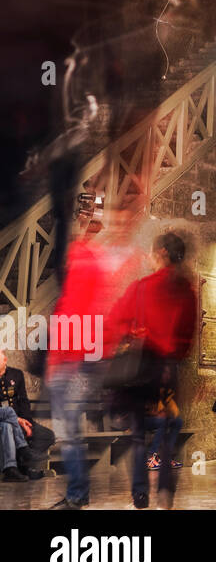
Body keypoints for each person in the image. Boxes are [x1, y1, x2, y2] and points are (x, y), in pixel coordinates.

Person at [105, 232, 198, 510]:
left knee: (138, 434)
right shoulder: (186, 290)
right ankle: (166, 493)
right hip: (169, 370)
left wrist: (130, 334)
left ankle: (140, 494)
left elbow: (115, 320)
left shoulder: (142, 286)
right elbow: (188, 333)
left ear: (161, 253)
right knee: (169, 432)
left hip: (141, 369)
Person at [45, 216, 114, 509]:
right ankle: (78, 492)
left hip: (73, 362)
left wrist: (58, 360)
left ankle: (77, 494)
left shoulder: (80, 264)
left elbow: (70, 316)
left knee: (68, 432)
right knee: (70, 431)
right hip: (83, 360)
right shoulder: (91, 264)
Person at [0, 351, 49, 481]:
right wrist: (18, 420)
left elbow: (23, 401)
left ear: (5, 360)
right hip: (9, 416)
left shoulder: (15, 374)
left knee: (47, 436)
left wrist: (26, 421)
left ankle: (14, 469)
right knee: (9, 413)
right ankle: (24, 452)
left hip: (10, 421)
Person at [143, 385, 183, 472]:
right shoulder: (148, 389)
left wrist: (168, 406)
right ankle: (151, 457)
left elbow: (175, 412)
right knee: (163, 421)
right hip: (141, 419)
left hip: (156, 418)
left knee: (178, 422)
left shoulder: (165, 392)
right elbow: (151, 410)